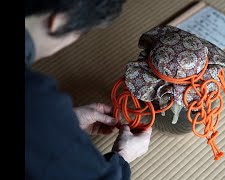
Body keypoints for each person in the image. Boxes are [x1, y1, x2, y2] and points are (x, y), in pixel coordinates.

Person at [25, 0, 152, 179]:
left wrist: (63, 124)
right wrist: (123, 157)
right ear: (58, 20)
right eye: (80, 33)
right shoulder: (38, 100)